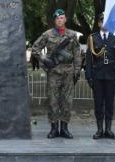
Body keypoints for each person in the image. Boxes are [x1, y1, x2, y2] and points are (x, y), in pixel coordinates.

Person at [31, 8, 82, 139]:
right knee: (53, 101)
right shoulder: (48, 34)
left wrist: (77, 71)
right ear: (55, 20)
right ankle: (54, 128)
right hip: (53, 73)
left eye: (62, 18)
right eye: (57, 18)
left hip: (68, 73)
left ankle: (64, 128)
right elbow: (35, 49)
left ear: (65, 19)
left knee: (67, 101)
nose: (60, 20)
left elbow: (77, 54)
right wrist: (44, 61)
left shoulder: (72, 35)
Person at [85, 13, 115, 139]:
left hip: (111, 76)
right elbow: (89, 59)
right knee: (98, 104)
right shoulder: (93, 38)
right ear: (98, 23)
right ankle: (99, 130)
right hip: (97, 76)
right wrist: (89, 76)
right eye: (102, 21)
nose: (104, 24)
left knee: (109, 104)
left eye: (107, 21)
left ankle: (108, 129)